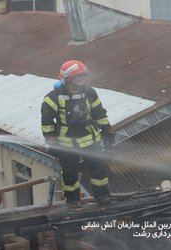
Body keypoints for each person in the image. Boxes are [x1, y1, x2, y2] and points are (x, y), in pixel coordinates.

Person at [41, 60, 115, 209]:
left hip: (90, 141)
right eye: (78, 76)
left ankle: (102, 197)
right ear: (67, 78)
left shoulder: (89, 93)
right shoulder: (53, 98)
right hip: (66, 144)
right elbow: (47, 121)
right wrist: (51, 140)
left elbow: (99, 113)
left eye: (83, 75)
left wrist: (107, 131)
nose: (82, 79)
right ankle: (73, 201)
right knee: (70, 174)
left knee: (98, 168)